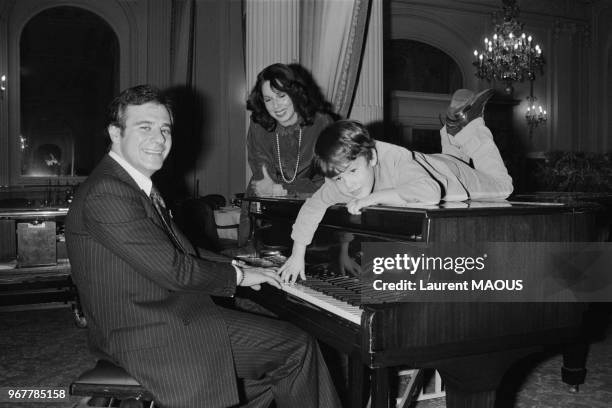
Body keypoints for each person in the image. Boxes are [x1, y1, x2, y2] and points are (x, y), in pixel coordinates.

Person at [65, 85, 340, 408]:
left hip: (154, 315)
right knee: (297, 347)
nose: (159, 139)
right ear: (115, 132)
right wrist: (238, 277)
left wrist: (243, 267)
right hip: (149, 332)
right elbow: (173, 268)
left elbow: (181, 252)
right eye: (145, 128)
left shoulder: (128, 184)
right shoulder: (109, 191)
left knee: (271, 366)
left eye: (165, 129)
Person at [279, 88, 513, 283]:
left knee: (503, 187)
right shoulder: (341, 177)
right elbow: (312, 207)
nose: (348, 185)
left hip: (452, 178)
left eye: (352, 172)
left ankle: (471, 127)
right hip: (432, 164)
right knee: (451, 161)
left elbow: (430, 193)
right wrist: (297, 254)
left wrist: (372, 198)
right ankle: (453, 131)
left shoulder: (395, 159)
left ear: (371, 158)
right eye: (338, 178)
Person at [238, 63, 335, 246]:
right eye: (268, 99)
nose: (275, 106)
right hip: (265, 207)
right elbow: (263, 176)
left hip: (311, 203)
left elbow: (329, 179)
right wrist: (272, 188)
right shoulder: (259, 123)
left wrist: (286, 190)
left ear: (295, 93)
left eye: (281, 96)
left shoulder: (322, 123)